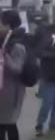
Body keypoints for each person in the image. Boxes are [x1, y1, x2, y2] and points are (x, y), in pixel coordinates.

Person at [0, 11, 27, 140]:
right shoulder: (5, 41)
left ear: (8, 25)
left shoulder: (17, 44)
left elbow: (17, 69)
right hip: (4, 91)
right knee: (8, 124)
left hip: (11, 93)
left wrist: (4, 56)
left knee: (7, 124)